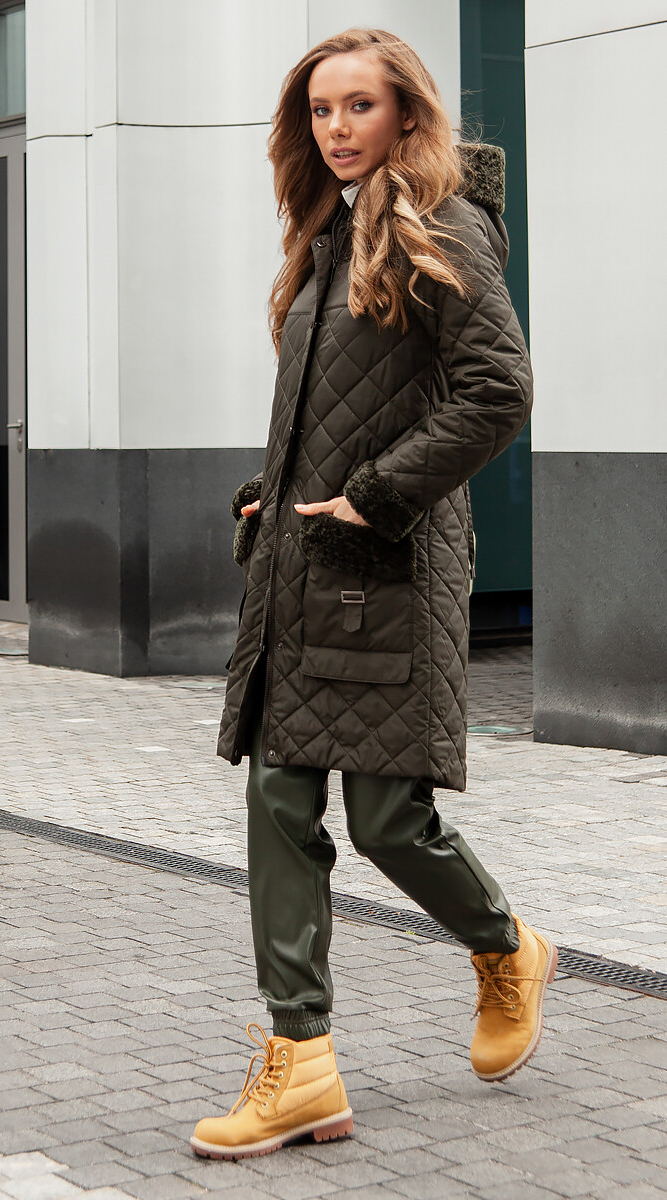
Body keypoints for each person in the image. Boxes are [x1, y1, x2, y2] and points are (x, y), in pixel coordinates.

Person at [190, 28, 555, 1162]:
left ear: (407, 113)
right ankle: (300, 1061)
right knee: (279, 797)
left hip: (391, 569)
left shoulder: (441, 225)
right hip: (307, 568)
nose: (338, 128)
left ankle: (507, 948)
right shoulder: (329, 232)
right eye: (320, 110)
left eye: (360, 106)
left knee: (389, 819)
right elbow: (342, 401)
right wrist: (279, 490)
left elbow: (499, 389)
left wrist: (374, 494)